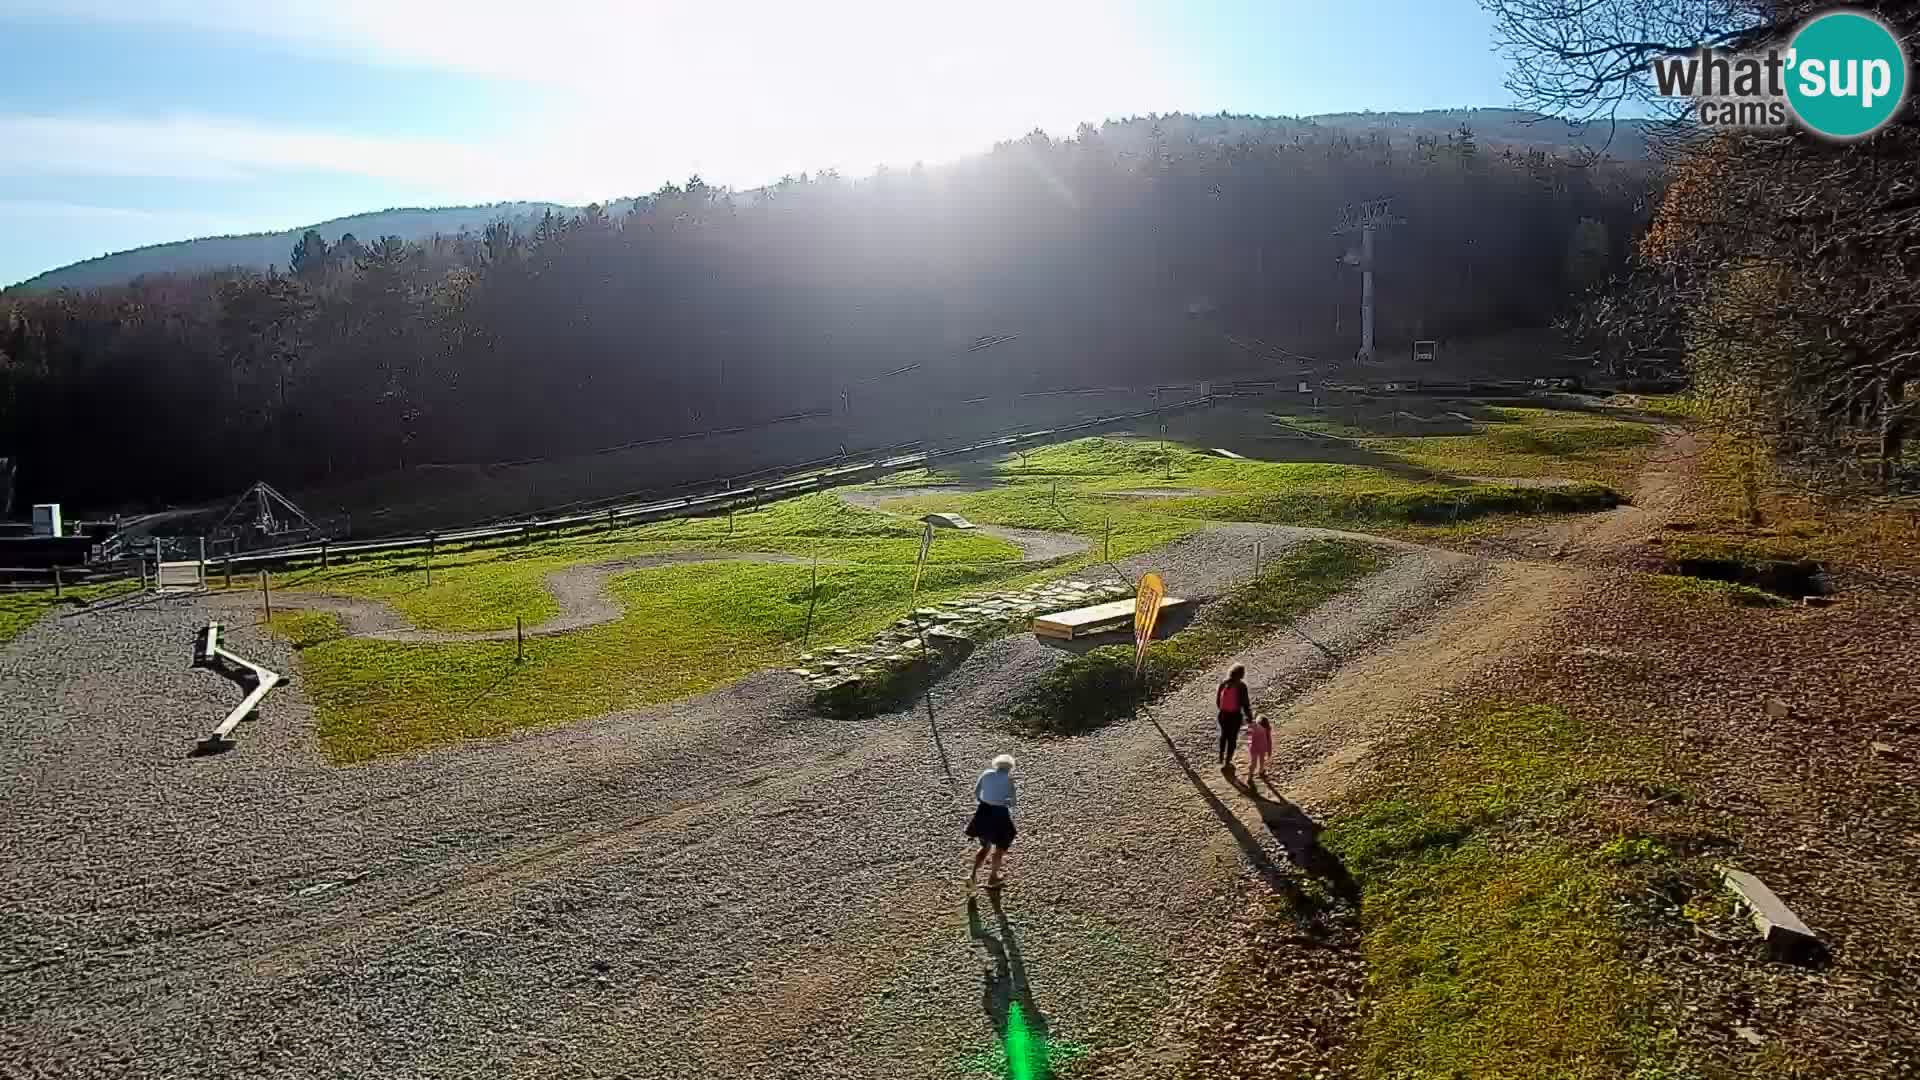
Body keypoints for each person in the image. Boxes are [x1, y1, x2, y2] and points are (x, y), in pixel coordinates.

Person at [966, 754, 1019, 889]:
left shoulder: (986, 773)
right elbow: (1013, 803)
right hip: (1000, 815)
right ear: (1010, 768)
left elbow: (976, 792)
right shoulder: (1009, 780)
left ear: (996, 764)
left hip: (983, 812)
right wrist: (1002, 801)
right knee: (1000, 848)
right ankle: (993, 876)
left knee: (985, 846)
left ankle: (972, 875)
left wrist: (985, 802)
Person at [1216, 664, 1252, 769]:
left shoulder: (1223, 684)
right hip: (1234, 716)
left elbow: (1218, 701)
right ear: (1241, 674)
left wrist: (1223, 710)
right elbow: (1245, 704)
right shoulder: (1241, 686)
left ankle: (1221, 757)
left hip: (1222, 715)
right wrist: (1249, 717)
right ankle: (1228, 761)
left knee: (1223, 735)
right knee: (1232, 739)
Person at [1246, 712, 1273, 782]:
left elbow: (1249, 737)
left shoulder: (1253, 727)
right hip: (1262, 748)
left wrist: (1249, 746)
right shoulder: (1267, 730)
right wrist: (1269, 752)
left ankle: (1249, 776)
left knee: (1253, 763)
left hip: (1253, 748)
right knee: (1262, 761)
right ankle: (1261, 771)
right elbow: (1269, 741)